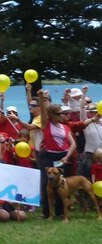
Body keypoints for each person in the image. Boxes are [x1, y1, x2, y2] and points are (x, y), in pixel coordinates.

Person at [37, 91, 77, 219]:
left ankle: (60, 211)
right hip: (48, 156)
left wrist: (67, 157)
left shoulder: (65, 127)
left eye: (62, 113)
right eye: (59, 113)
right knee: (46, 183)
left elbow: (73, 144)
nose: (62, 115)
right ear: (51, 115)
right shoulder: (46, 123)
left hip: (62, 157)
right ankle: (46, 212)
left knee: (61, 183)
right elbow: (43, 111)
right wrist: (41, 98)